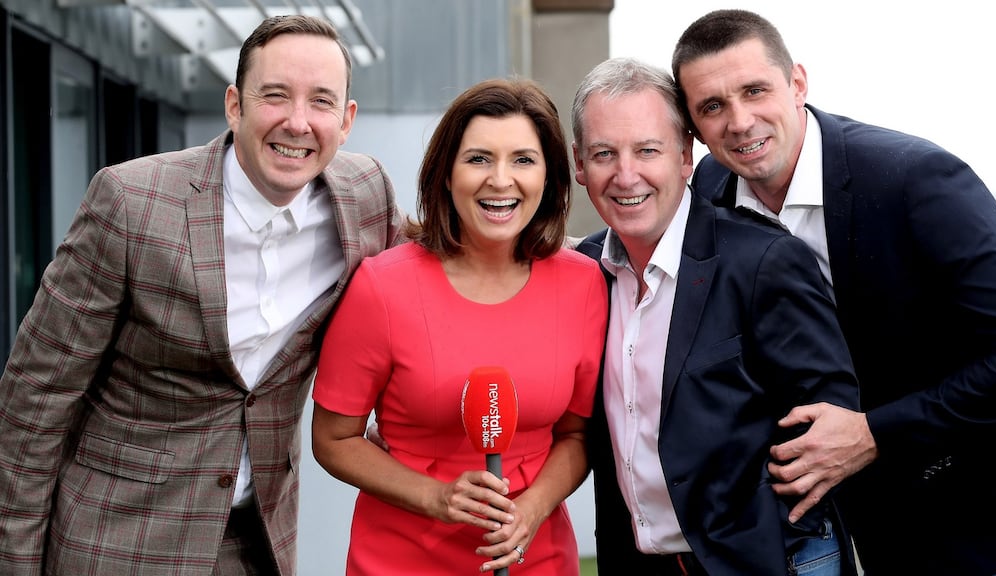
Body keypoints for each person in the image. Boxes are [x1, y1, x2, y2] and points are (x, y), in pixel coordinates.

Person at [0, 14, 403, 576]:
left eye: (321, 102)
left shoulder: (366, 197)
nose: (297, 122)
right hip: (117, 542)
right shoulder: (131, 202)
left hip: (257, 542)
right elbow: (35, 399)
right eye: (275, 95)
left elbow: (429, 290)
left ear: (347, 120)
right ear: (234, 106)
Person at [674, 9, 996, 576]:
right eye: (711, 106)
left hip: (985, 526)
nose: (739, 121)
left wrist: (873, 432)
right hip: (852, 532)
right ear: (692, 126)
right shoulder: (709, 193)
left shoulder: (914, 178)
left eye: (755, 91)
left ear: (798, 83)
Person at [570, 57, 860, 576]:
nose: (626, 175)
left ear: (686, 155)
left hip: (770, 561)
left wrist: (768, 539)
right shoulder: (585, 272)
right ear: (579, 164)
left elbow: (831, 424)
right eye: (604, 154)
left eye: (647, 150)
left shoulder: (763, 260)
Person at [309, 77, 608, 575]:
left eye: (523, 160)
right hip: (401, 559)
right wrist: (436, 497)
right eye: (478, 159)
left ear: (549, 177)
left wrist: (531, 510)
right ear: (446, 174)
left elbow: (577, 436)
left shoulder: (584, 284)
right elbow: (333, 439)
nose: (501, 180)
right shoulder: (382, 287)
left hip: (535, 556)